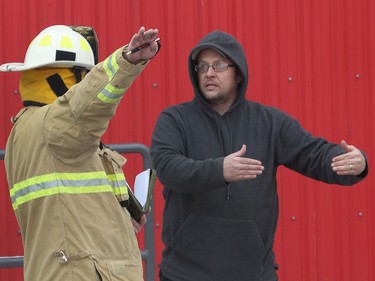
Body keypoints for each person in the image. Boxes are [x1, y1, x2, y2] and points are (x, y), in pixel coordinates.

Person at [150, 30, 368, 281]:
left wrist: (356, 162)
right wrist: (219, 170)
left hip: (253, 273)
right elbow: (168, 167)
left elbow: (313, 153)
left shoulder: (268, 122)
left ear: (238, 73)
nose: (209, 73)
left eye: (219, 65)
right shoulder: (175, 119)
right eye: (202, 66)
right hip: (185, 274)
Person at [1, 24, 160, 281]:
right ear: (66, 78)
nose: (87, 82)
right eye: (85, 75)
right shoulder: (55, 124)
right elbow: (90, 101)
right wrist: (127, 61)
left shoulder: (31, 129)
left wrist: (122, 215)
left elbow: (72, 202)